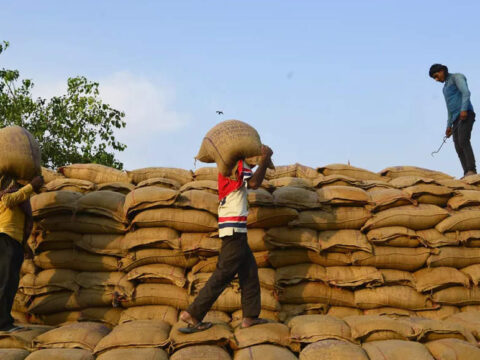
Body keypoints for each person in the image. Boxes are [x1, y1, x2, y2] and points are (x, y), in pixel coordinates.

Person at [179, 145, 273, 333]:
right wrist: (264, 159)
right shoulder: (237, 164)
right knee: (224, 273)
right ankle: (193, 313)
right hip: (234, 228)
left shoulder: (228, 168)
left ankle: (250, 316)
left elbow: (246, 178)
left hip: (232, 227)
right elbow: (254, 184)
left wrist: (259, 162)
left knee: (249, 270)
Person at [0, 174, 44, 332]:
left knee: (11, 283)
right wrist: (31, 186)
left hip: (14, 241)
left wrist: (24, 245)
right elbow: (7, 200)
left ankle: (5, 321)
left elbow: (20, 221)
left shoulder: (20, 194)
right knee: (5, 282)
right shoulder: (7, 187)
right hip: (5, 238)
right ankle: (2, 323)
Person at [429, 63, 476, 177]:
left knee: (463, 140)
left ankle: (472, 170)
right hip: (455, 119)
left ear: (442, 71)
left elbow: (466, 92)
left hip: (466, 114)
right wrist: (448, 126)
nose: (436, 79)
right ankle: (466, 172)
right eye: (434, 78)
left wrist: (464, 109)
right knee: (458, 146)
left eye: (436, 76)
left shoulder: (457, 77)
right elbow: (449, 109)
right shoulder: (444, 88)